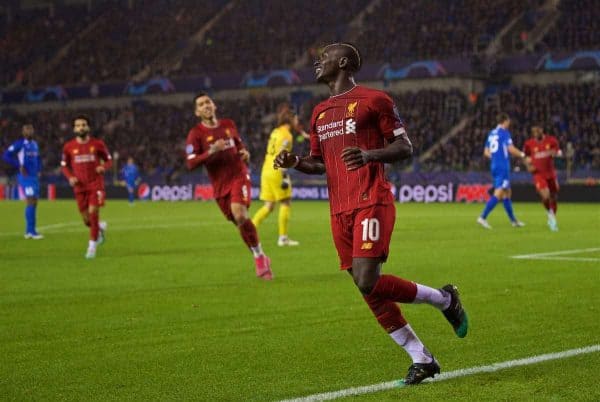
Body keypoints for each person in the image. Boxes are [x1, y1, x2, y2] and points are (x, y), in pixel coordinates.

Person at [274, 42, 467, 385]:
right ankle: (421, 358)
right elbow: (319, 163)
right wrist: (296, 163)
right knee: (368, 289)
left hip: (370, 199)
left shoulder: (374, 100)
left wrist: (370, 155)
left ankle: (444, 299)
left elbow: (404, 147)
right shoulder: (319, 112)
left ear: (344, 62)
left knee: (367, 279)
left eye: (325, 57)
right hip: (339, 211)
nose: (318, 62)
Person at [185, 93, 273, 280]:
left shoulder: (228, 125)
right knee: (240, 222)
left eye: (208, 102)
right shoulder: (196, 134)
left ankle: (258, 258)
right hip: (219, 186)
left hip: (239, 176)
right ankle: (261, 256)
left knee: (240, 214)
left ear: (214, 105)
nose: (206, 106)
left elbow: (239, 145)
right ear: (197, 112)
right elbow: (191, 163)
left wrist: (245, 153)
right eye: (201, 104)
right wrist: (211, 150)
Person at [60, 115, 111, 259]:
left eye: (83, 125)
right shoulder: (68, 147)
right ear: (74, 129)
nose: (81, 127)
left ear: (88, 127)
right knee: (86, 220)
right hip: (79, 186)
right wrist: (70, 177)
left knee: (93, 213)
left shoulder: (98, 144)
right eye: (78, 125)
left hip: (95, 184)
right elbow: (64, 166)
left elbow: (109, 160)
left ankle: (92, 247)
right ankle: (99, 229)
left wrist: (103, 167)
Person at [252, 109, 300, 246]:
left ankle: (250, 229)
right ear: (290, 120)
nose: (297, 121)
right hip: (277, 170)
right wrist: (285, 176)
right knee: (285, 202)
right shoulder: (287, 135)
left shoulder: (275, 132)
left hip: (266, 168)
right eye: (295, 119)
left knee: (269, 205)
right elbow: (282, 155)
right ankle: (283, 238)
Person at [477, 113, 526, 229]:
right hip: (502, 166)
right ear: (504, 121)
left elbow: (486, 152)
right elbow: (511, 149)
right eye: (508, 121)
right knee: (499, 193)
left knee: (507, 192)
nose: (509, 123)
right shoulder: (504, 133)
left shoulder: (491, 133)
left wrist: (494, 158)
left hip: (494, 165)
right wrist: (523, 155)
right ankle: (482, 217)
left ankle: (513, 221)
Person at [2, 123, 43, 239]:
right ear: (23, 132)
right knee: (30, 200)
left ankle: (30, 230)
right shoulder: (19, 144)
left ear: (33, 131)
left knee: (34, 202)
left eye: (31, 130)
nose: (29, 132)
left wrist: (39, 170)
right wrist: (18, 165)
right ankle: (31, 231)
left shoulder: (35, 144)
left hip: (34, 177)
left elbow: (38, 158)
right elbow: (6, 156)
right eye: (26, 130)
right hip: (25, 177)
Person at [523, 126, 562, 231]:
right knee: (545, 196)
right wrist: (528, 166)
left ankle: (552, 215)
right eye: (533, 132)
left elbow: (558, 152)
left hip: (550, 173)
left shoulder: (551, 140)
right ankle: (551, 216)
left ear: (542, 130)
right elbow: (526, 157)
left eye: (537, 131)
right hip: (538, 174)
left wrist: (555, 154)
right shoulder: (529, 144)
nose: (535, 133)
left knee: (553, 196)